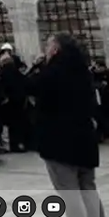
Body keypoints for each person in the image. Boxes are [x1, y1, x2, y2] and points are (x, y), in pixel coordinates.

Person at [34, 33, 105, 217]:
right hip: (84, 137)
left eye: (48, 45)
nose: (45, 49)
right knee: (88, 187)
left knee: (68, 190)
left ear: (56, 49)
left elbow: (34, 90)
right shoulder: (83, 71)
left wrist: (39, 65)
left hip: (59, 140)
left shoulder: (52, 72)